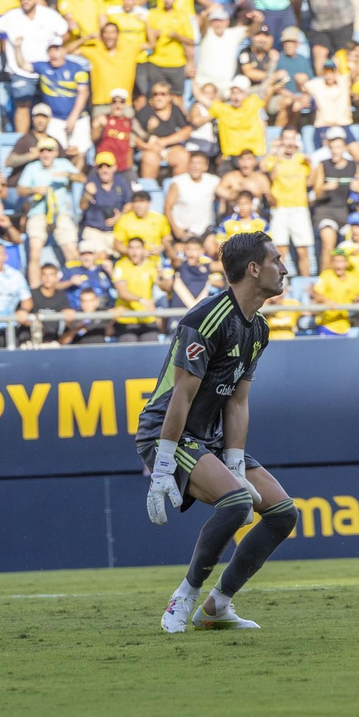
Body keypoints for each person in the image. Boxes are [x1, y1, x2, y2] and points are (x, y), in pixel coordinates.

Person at [138, 232, 298, 634]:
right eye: (277, 260)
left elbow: (237, 401)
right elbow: (180, 399)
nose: (285, 268)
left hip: (208, 435)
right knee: (235, 502)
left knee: (282, 514)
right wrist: (161, 469)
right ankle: (185, 596)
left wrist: (235, 462)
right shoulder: (204, 319)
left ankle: (216, 606)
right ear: (254, 269)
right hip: (167, 432)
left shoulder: (258, 328)